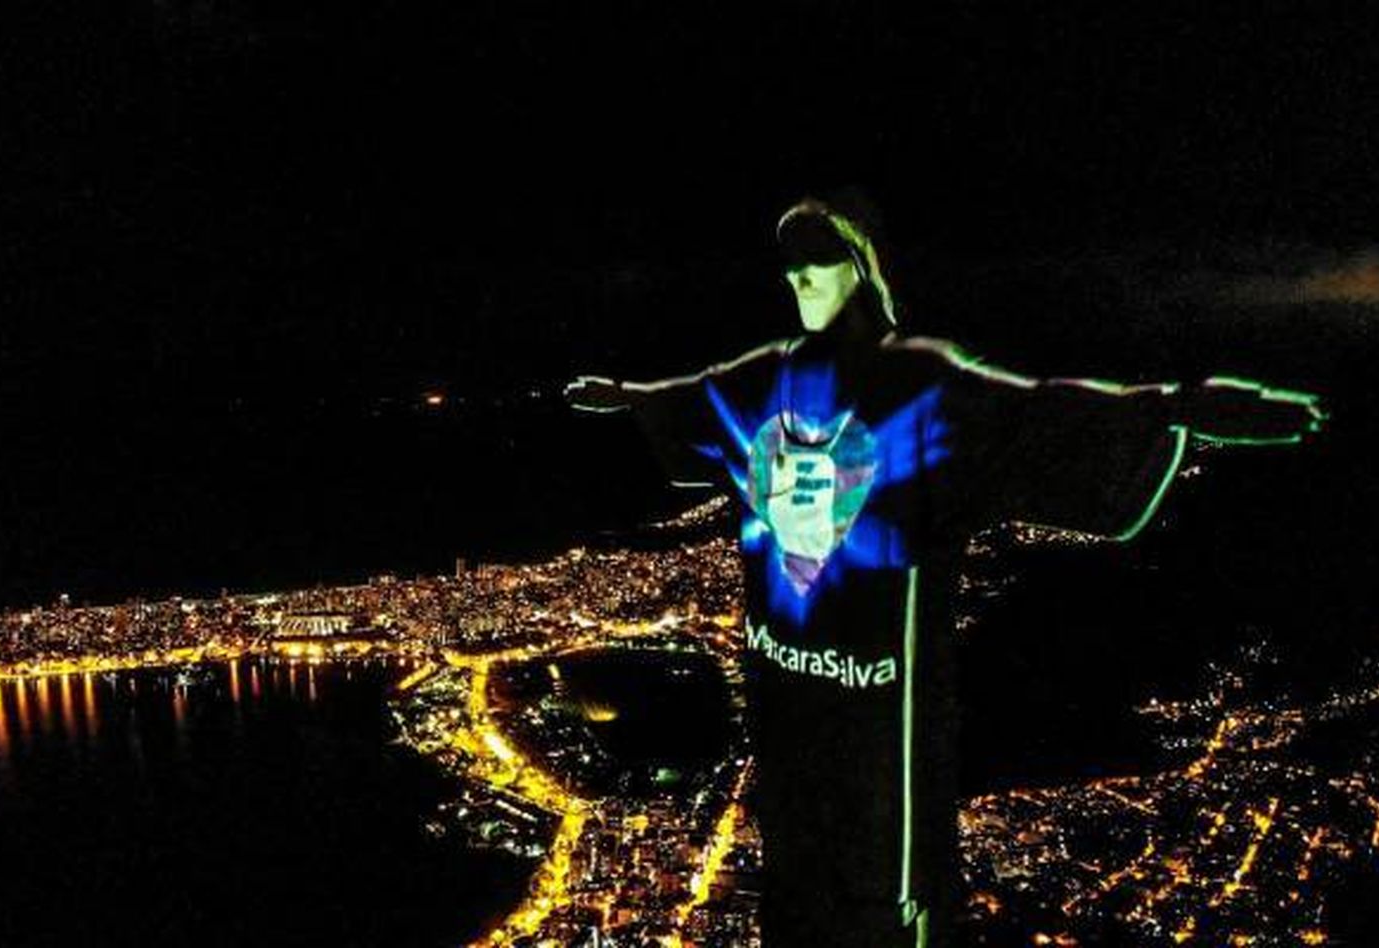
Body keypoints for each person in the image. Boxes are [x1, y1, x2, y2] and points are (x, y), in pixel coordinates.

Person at [564, 192, 1324, 948]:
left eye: (820, 263)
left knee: (881, 881)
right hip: (784, 690)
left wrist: (1175, 407)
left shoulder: (918, 384)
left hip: (878, 705)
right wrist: (625, 397)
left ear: (860, 268)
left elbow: (1036, 412)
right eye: (791, 267)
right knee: (793, 856)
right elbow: (693, 398)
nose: (801, 281)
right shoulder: (767, 377)